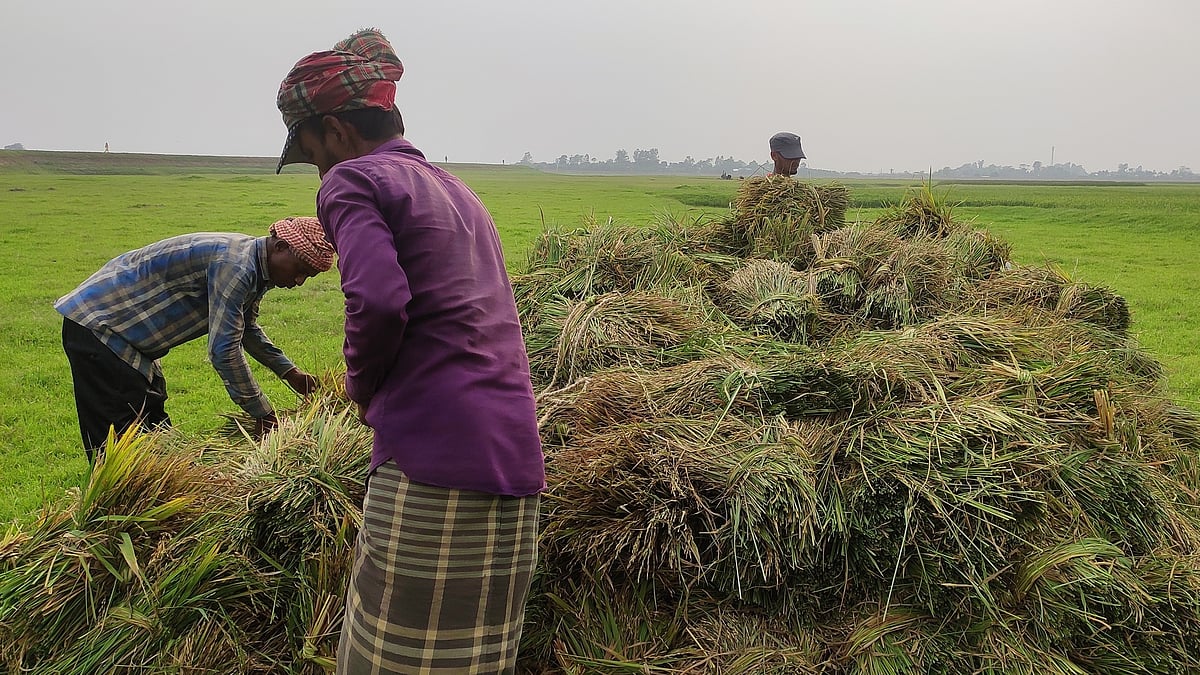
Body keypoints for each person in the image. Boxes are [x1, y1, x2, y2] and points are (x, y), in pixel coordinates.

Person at [276, 28, 545, 674]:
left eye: (312, 152)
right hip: (515, 468)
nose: (319, 168)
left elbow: (380, 301)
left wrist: (360, 387)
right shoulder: (457, 192)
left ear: (336, 131)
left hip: (431, 466)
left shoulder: (353, 182)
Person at [55, 218, 334, 460]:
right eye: (299, 270)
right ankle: (117, 510)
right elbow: (223, 350)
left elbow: (245, 328)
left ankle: (160, 500)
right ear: (280, 247)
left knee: (152, 429)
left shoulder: (253, 266)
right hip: (102, 327)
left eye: (306, 277)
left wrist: (290, 373)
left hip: (130, 343)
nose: (299, 281)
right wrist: (263, 414)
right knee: (118, 443)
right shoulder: (236, 266)